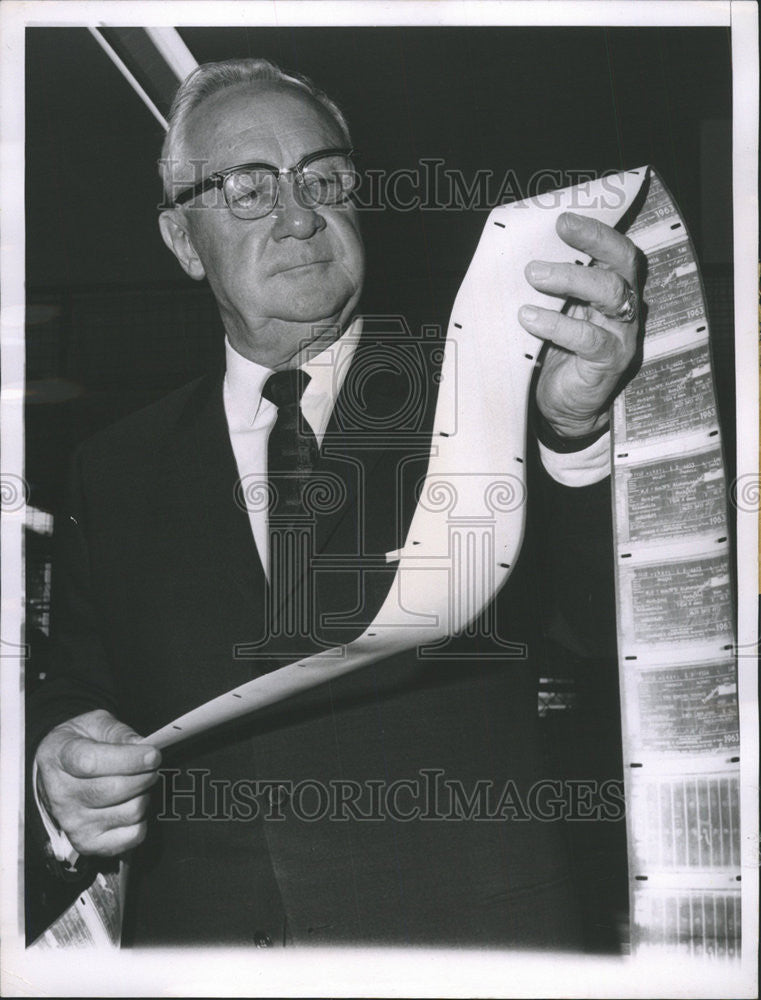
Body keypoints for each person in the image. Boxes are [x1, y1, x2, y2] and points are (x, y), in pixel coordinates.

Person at [27, 58, 641, 948]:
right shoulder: (111, 467)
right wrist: (52, 758)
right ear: (182, 241)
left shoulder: (489, 387)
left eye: (324, 178)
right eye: (246, 187)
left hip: (461, 950)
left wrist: (576, 435)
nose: (298, 214)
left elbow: (611, 628)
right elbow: (78, 678)